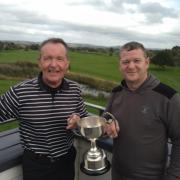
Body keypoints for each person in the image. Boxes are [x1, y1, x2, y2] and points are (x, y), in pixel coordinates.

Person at [0, 37, 88, 180]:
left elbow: (85, 120)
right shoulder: (20, 92)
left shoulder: (74, 89)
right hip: (36, 165)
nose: (53, 64)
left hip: (66, 161)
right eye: (47, 58)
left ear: (67, 64)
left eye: (59, 59)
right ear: (39, 62)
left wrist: (78, 122)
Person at [104, 41, 180, 180]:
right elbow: (105, 121)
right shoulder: (116, 93)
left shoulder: (168, 97)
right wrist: (107, 125)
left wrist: (173, 176)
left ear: (147, 62)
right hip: (117, 174)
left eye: (136, 61)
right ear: (120, 65)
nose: (131, 66)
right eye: (126, 62)